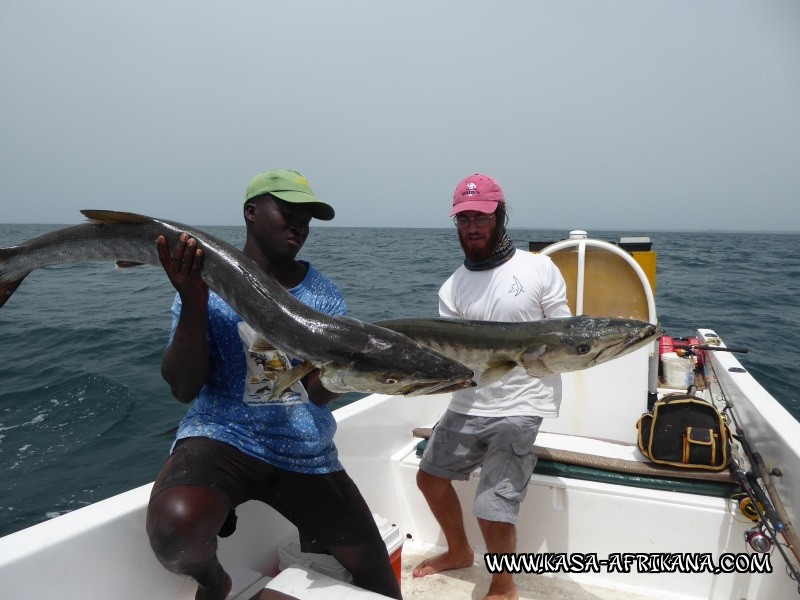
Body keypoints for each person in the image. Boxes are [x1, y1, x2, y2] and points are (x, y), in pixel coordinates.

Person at [146, 169, 402, 600]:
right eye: (288, 212)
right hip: (222, 435)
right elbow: (183, 388)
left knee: (377, 573)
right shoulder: (201, 278)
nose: (299, 225)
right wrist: (193, 301)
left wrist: (352, 373)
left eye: (307, 218)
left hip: (303, 447)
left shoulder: (323, 295)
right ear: (251, 211)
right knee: (176, 531)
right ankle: (216, 581)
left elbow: (318, 394)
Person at [413, 173, 571, 600]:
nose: (471, 227)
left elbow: (565, 336)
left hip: (522, 401)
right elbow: (453, 357)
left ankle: (504, 585)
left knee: (491, 504)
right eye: (463, 219)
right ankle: (459, 550)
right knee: (429, 478)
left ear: (500, 216)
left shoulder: (538, 268)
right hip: (469, 398)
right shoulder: (452, 287)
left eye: (480, 216)